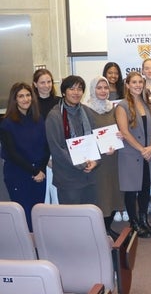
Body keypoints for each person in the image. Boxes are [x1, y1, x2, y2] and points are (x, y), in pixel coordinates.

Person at [0, 83, 49, 231]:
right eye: (21, 96)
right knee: (24, 215)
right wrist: (34, 171)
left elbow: (46, 146)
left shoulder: (38, 118)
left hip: (39, 174)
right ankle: (26, 251)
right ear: (14, 100)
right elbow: (13, 154)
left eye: (28, 95)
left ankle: (38, 249)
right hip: (19, 175)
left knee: (37, 214)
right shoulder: (7, 123)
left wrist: (41, 169)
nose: (25, 99)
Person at [115, 71, 151, 238]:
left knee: (145, 189)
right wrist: (142, 149)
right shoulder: (122, 106)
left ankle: (144, 220)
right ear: (127, 85)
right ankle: (134, 223)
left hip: (149, 153)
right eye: (134, 82)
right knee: (131, 190)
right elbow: (125, 132)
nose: (138, 85)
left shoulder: (147, 103)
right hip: (132, 154)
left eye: (140, 82)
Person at [45, 75, 99, 205]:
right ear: (64, 92)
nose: (76, 92)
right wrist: (80, 164)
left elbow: (96, 139)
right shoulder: (55, 116)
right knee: (72, 219)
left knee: (89, 216)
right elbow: (57, 149)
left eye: (79, 89)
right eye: (72, 89)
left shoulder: (87, 112)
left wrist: (95, 161)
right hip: (68, 178)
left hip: (89, 176)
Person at [85, 76, 124, 239]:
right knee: (101, 194)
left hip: (113, 158)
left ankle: (107, 228)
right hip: (98, 160)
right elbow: (84, 135)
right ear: (93, 89)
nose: (103, 91)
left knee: (114, 192)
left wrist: (120, 135)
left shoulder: (113, 108)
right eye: (99, 88)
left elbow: (117, 128)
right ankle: (100, 231)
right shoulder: (85, 109)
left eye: (105, 88)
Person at [32, 68, 60, 205]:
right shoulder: (30, 104)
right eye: (42, 82)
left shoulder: (60, 102)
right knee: (43, 198)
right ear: (35, 84)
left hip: (57, 153)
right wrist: (45, 159)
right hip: (39, 155)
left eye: (49, 82)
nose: (47, 85)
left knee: (57, 195)